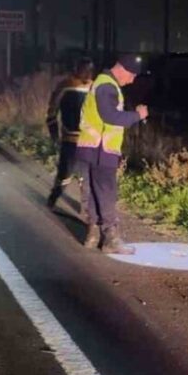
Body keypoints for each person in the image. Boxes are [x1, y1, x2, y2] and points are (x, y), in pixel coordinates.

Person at [75, 54, 149, 254]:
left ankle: (93, 235)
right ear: (122, 69)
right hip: (102, 149)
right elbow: (110, 116)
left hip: (88, 147)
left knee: (92, 192)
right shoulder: (107, 86)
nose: (132, 80)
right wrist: (137, 115)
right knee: (107, 193)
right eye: (132, 75)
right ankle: (111, 239)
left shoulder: (101, 82)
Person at [45, 56, 95, 208]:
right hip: (70, 140)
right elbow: (52, 113)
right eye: (84, 70)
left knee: (87, 177)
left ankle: (87, 211)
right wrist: (54, 135)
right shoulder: (65, 86)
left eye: (90, 70)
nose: (87, 73)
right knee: (65, 174)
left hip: (90, 141)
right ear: (77, 69)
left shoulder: (95, 88)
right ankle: (53, 198)